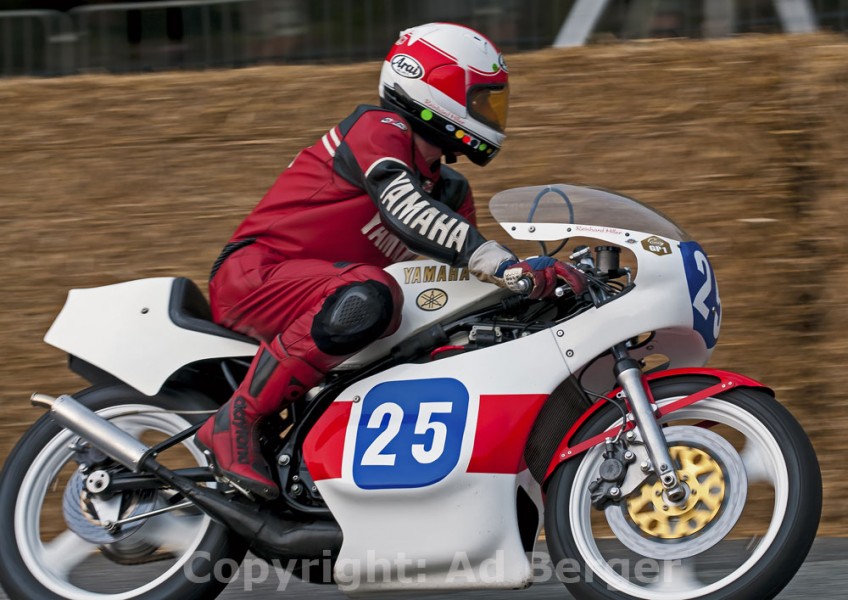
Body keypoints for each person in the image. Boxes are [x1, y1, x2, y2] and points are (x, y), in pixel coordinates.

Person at [195, 22, 586, 500]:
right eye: (481, 100)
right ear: (435, 86)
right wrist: (502, 263)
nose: (492, 114)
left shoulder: (451, 189)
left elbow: (464, 275)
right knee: (373, 294)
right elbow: (405, 209)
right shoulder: (378, 129)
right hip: (254, 276)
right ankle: (238, 417)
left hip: (323, 298)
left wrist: (537, 280)